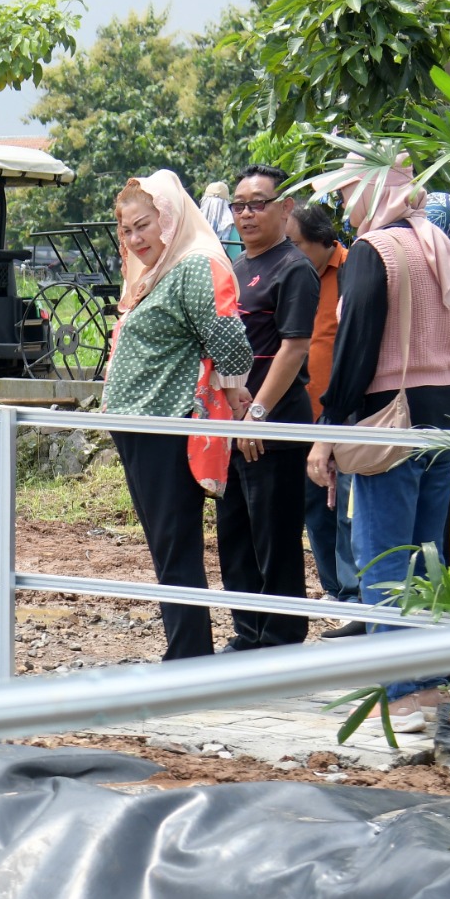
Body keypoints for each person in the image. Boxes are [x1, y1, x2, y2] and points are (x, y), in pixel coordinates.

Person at [309, 161, 450, 729]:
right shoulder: (440, 244)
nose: (347, 205)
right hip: (447, 414)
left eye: (350, 192)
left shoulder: (375, 250)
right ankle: (428, 686)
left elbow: (356, 349)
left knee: (383, 559)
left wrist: (330, 429)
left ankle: (402, 691)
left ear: (373, 191)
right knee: (428, 556)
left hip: (390, 418)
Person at [103, 170, 252, 661]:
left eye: (144, 225)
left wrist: (237, 395)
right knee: (165, 544)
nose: (135, 238)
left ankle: (188, 657)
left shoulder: (195, 265)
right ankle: (185, 651)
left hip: (167, 425)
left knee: (175, 543)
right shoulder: (155, 272)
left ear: (170, 217)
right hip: (140, 427)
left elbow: (228, 336)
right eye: (126, 231)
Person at [215, 167, 319, 649]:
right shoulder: (236, 269)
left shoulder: (293, 268)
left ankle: (280, 638)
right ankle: (248, 630)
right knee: (234, 529)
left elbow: (294, 349)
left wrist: (258, 414)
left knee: (274, 533)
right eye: (239, 204)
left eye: (258, 203)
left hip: (272, 418)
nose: (247, 213)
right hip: (234, 422)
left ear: (285, 208)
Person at [293, 202, 362, 621]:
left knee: (348, 502)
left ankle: (354, 591)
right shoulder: (294, 274)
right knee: (314, 500)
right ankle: (332, 588)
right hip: (303, 408)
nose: (293, 251)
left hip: (345, 409)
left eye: (298, 244)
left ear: (324, 241)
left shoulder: (354, 268)